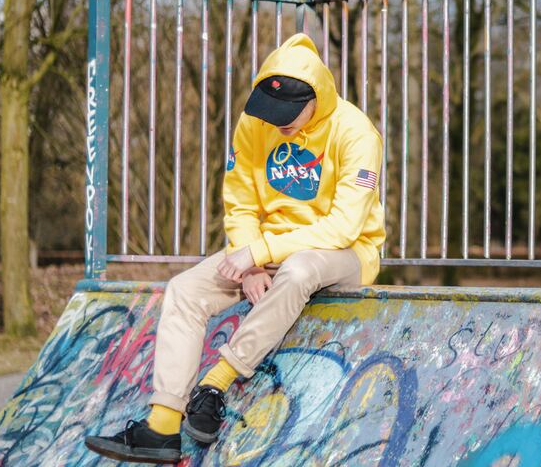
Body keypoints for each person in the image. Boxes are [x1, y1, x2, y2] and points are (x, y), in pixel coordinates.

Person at [85, 32, 385, 463]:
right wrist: (249, 264)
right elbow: (241, 199)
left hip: (348, 253)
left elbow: (343, 226)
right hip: (265, 250)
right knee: (185, 290)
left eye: (288, 113)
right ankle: (163, 425)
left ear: (317, 97)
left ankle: (216, 384)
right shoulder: (255, 125)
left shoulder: (357, 133)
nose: (277, 121)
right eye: (271, 111)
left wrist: (259, 252)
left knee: (299, 269)